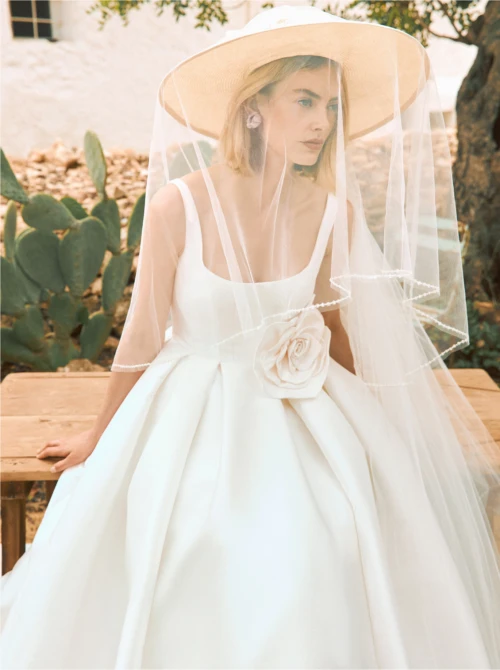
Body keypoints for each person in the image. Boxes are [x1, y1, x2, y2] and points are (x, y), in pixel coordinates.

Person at [1, 5, 500, 668]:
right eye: (303, 100)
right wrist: (100, 436)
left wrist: (389, 426)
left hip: (305, 411)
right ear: (254, 109)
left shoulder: (333, 213)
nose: (322, 120)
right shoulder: (181, 204)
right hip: (191, 412)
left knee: (326, 540)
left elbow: (334, 325)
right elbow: (143, 335)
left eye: (330, 102)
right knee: (184, 538)